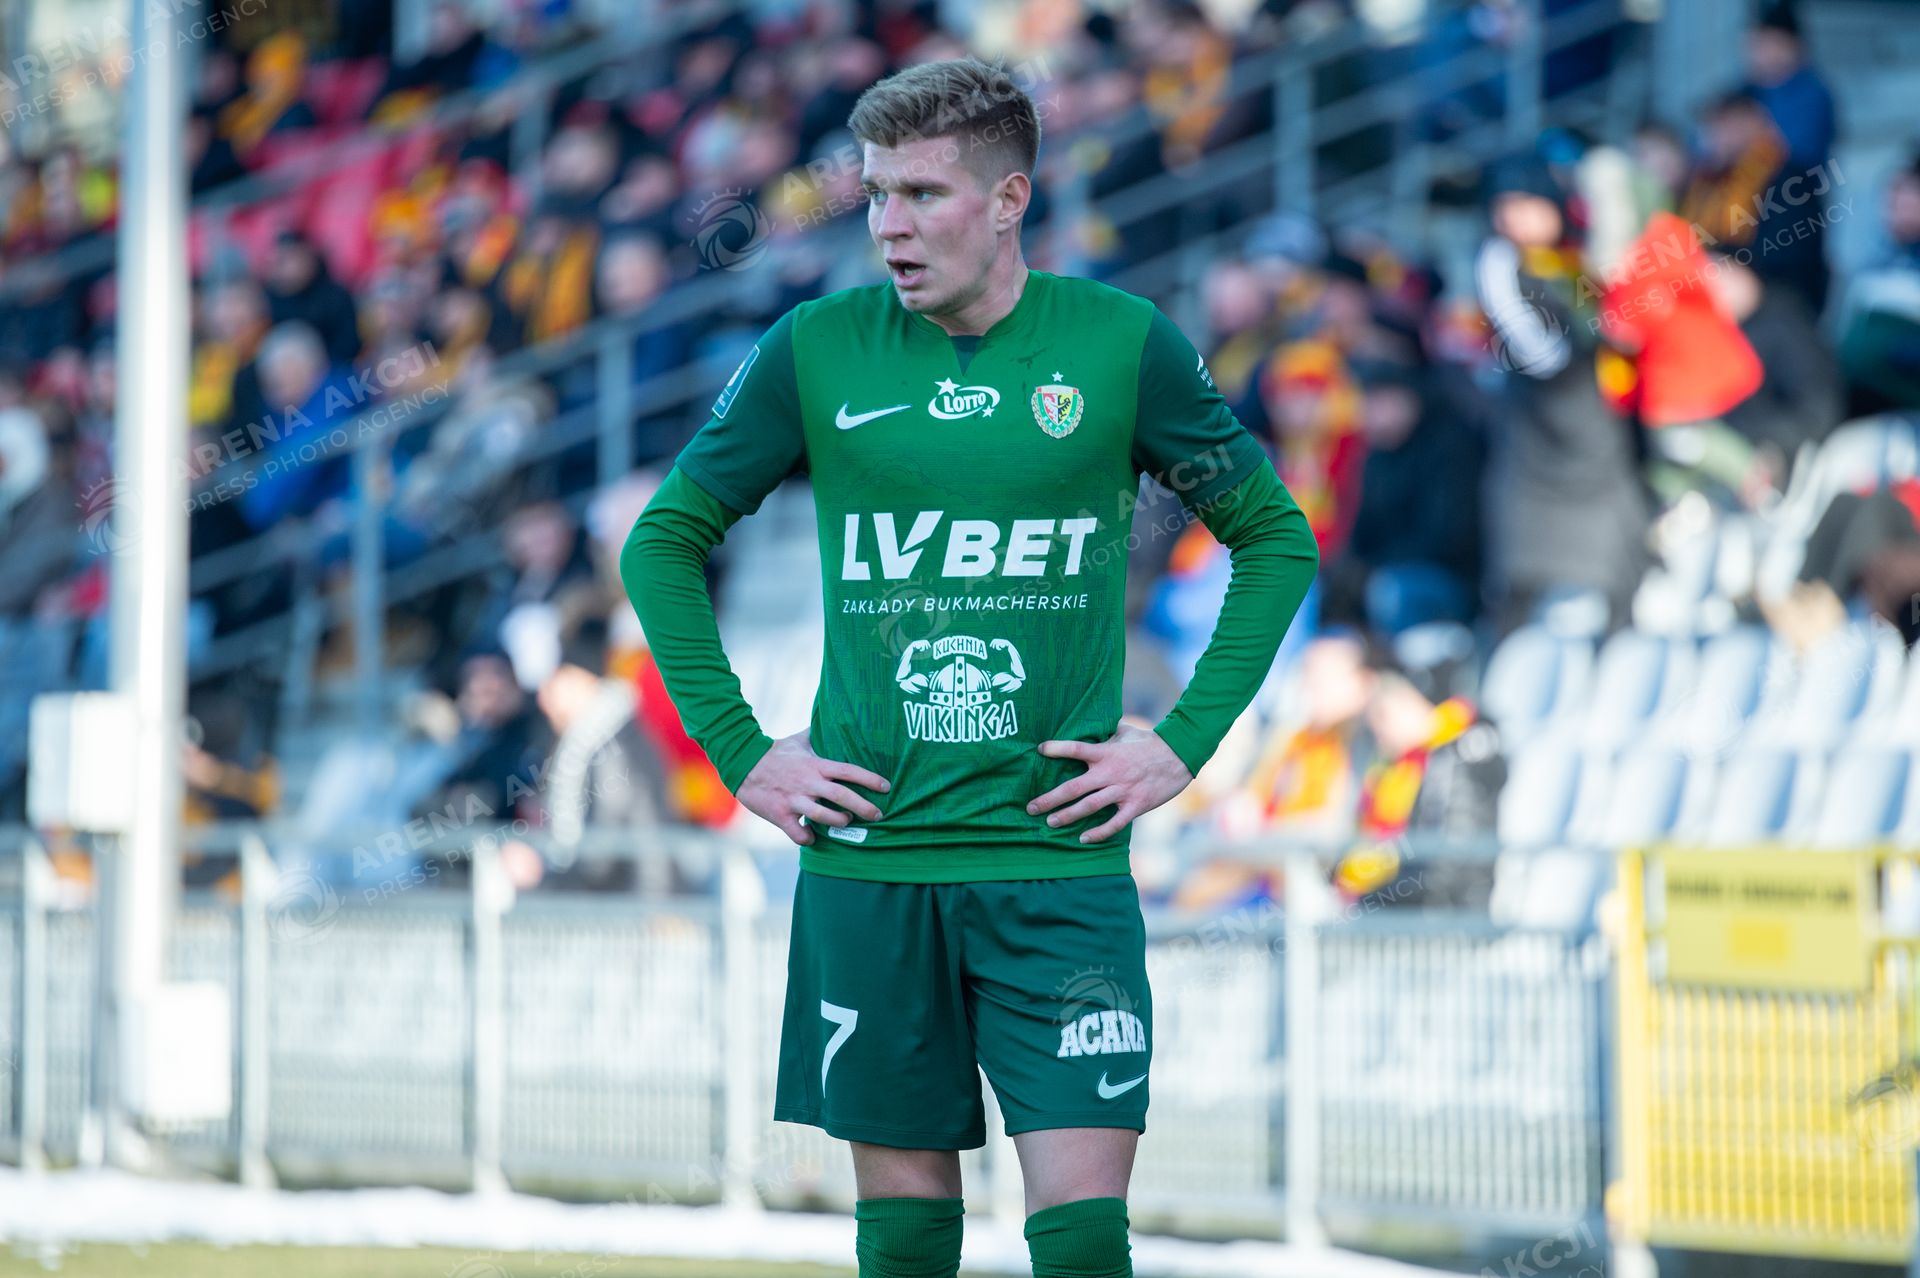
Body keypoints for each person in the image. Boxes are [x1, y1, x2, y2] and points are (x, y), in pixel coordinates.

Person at [621, 58, 1318, 1278]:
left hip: (1059, 865)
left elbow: (1275, 538)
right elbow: (661, 541)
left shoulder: (1119, 344)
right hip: (871, 863)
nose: (889, 225)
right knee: (904, 1245)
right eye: (877, 194)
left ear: (1009, 199)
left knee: (1085, 1241)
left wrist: (1182, 744)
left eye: (924, 194)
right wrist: (742, 752)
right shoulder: (817, 347)